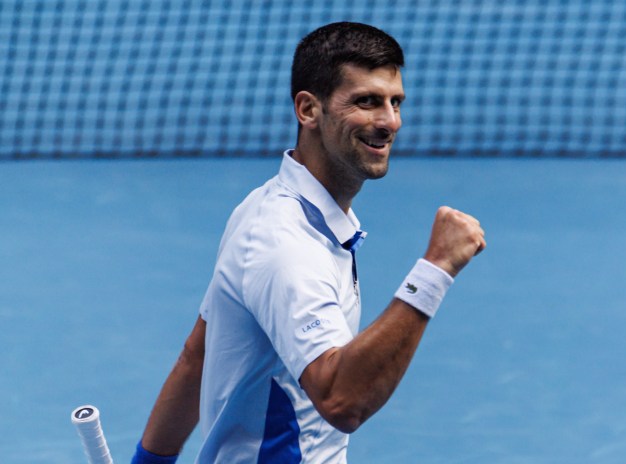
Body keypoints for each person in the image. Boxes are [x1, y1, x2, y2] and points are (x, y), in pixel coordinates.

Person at [131, 21, 486, 464]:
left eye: (396, 102)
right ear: (308, 110)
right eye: (366, 102)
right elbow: (343, 399)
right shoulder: (284, 246)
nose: (390, 121)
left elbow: (197, 354)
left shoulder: (271, 207)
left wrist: (148, 461)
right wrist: (434, 270)